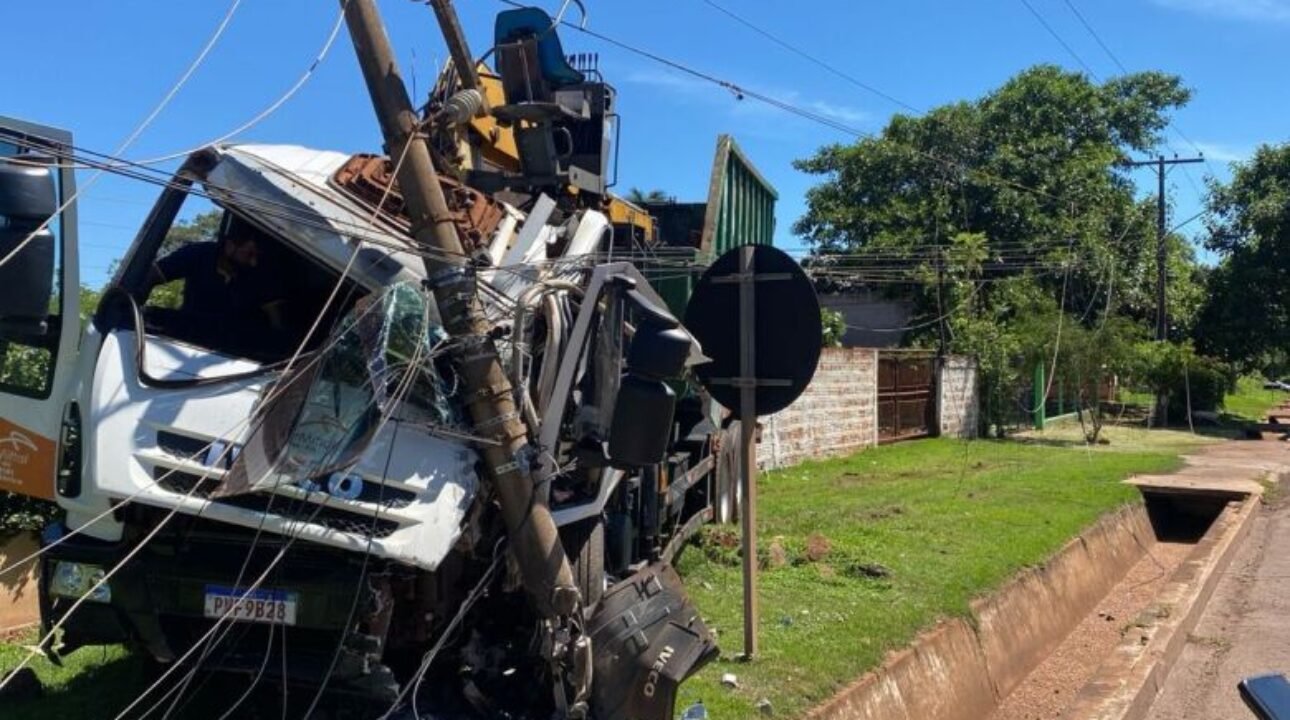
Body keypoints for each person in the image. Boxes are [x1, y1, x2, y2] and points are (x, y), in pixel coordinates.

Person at [148, 218, 287, 355]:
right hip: (185, 340)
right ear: (231, 244)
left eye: (257, 257)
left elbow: (276, 323)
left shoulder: (260, 275)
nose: (253, 262)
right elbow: (152, 276)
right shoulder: (198, 254)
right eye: (249, 254)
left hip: (235, 353)